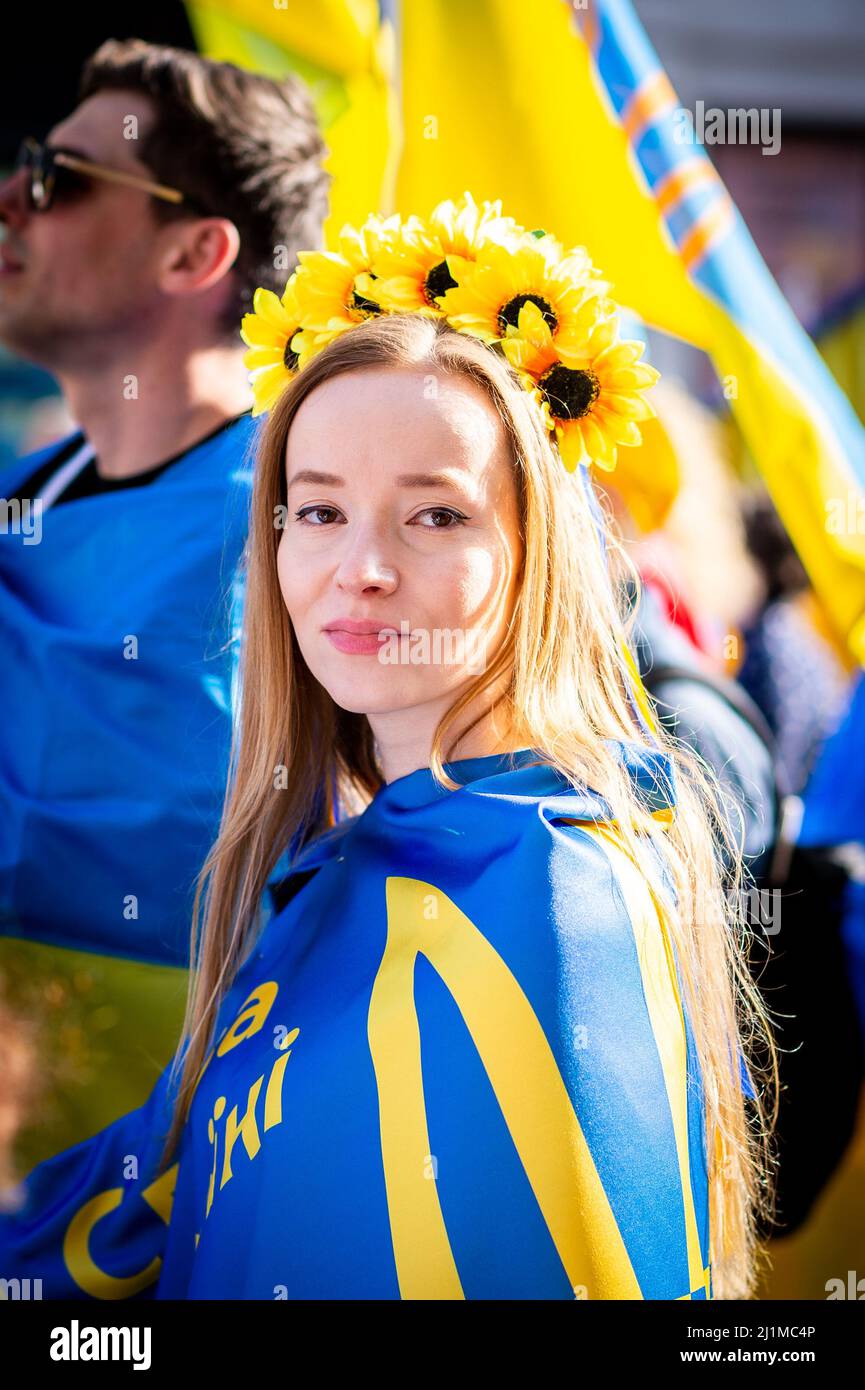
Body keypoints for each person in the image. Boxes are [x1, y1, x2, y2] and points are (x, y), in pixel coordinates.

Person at [0, 197, 776, 1300]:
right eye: (317, 512)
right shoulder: (325, 859)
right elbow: (135, 1229)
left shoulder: (552, 893)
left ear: (540, 548)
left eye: (435, 516)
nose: (359, 566)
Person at [0, 39, 329, 1166]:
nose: (12, 198)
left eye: (60, 178)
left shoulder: (323, 518)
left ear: (198, 250)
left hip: (218, 1189)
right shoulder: (21, 501)